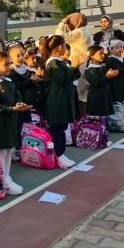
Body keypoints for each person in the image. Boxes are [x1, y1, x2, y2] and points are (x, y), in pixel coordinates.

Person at [0, 52, 31, 195]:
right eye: (6, 64)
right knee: (1, 152)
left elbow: (17, 95)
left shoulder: (9, 81)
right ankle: (2, 180)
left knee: (9, 150)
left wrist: (18, 103)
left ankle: (6, 177)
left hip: (11, 120)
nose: (9, 66)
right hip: (0, 123)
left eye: (9, 63)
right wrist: (12, 109)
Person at [41, 35, 81, 169]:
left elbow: (73, 76)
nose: (65, 48)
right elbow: (63, 79)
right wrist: (73, 66)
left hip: (62, 99)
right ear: (59, 47)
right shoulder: (53, 62)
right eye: (64, 45)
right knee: (56, 129)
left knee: (62, 127)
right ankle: (57, 154)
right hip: (56, 100)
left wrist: (76, 65)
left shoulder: (59, 61)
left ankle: (61, 154)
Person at [85, 46, 118, 117]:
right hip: (96, 96)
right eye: (100, 53)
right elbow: (96, 82)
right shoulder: (90, 69)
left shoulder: (101, 67)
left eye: (103, 53)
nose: (103, 55)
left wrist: (112, 75)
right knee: (97, 116)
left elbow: (105, 80)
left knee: (104, 116)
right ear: (92, 56)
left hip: (104, 94)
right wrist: (107, 76)